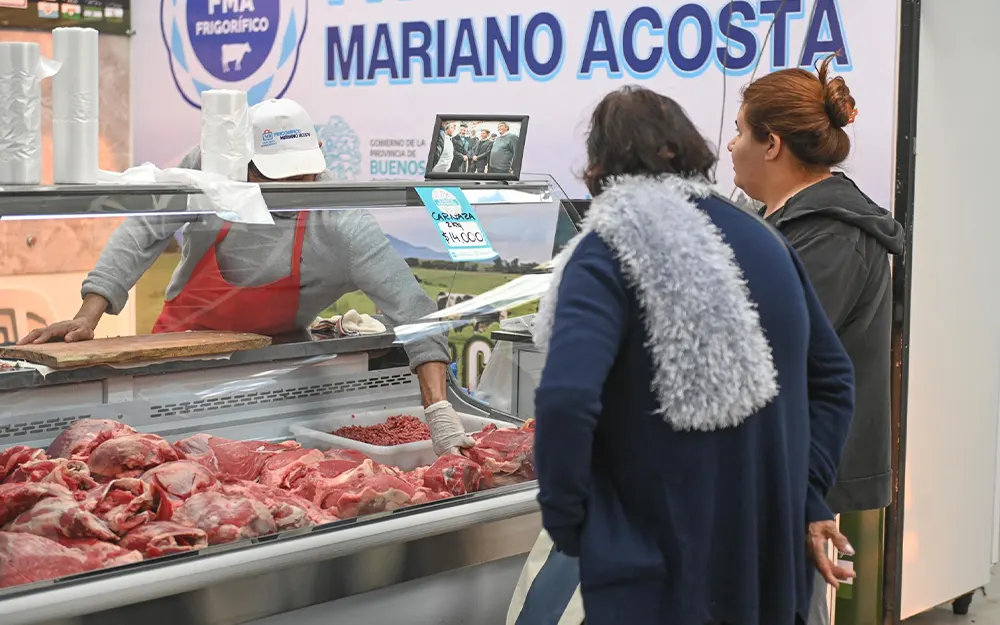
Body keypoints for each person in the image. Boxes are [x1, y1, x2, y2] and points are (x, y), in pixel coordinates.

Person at [528, 86, 855, 625]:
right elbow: (833, 379)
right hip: (765, 567)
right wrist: (804, 494)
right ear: (690, 150)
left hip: (656, 569)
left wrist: (571, 523)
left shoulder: (610, 246)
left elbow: (565, 398)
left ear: (598, 164)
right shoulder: (767, 241)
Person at [20, 98, 474, 457]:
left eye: (305, 173)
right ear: (245, 163)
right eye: (280, 175)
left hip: (272, 377)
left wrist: (438, 411)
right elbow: (144, 227)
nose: (298, 184)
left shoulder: (340, 220)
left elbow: (411, 308)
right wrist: (89, 313)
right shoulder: (212, 168)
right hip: (170, 363)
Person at [728, 55, 905, 625]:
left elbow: (776, 360)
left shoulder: (829, 236)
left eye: (739, 131)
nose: (731, 146)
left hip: (798, 470)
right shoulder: (785, 222)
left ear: (771, 143)